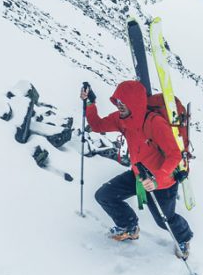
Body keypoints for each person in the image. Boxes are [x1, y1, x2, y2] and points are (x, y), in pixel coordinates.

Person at [81, 80, 194, 259]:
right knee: (105, 195)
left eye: (122, 102)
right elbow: (98, 125)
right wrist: (90, 103)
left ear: (134, 102)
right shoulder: (122, 119)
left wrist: (157, 178)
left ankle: (183, 238)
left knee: (164, 220)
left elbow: (175, 155)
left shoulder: (155, 123)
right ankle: (129, 227)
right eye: (117, 102)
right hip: (138, 175)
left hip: (162, 182)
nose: (119, 106)